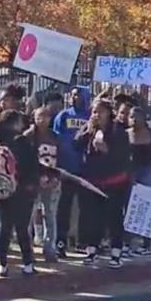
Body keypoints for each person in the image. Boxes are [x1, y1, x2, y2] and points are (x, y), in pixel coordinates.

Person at [74, 98, 131, 268]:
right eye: (94, 111)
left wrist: (106, 147)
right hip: (93, 181)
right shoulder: (89, 127)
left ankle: (116, 252)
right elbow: (76, 144)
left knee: (113, 217)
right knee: (93, 217)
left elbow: (121, 155)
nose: (96, 115)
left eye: (99, 111)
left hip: (114, 181)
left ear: (108, 113)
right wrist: (88, 132)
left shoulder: (118, 130)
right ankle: (92, 250)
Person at [0, 110, 41, 277]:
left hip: (3, 187)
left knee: (5, 226)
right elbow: (32, 164)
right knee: (22, 227)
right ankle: (27, 264)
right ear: (15, 123)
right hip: (22, 188)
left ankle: (3, 265)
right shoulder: (21, 141)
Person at [53, 86, 92, 255]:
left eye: (78, 95)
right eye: (73, 94)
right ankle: (60, 241)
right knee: (64, 206)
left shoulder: (91, 116)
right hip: (66, 168)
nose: (74, 97)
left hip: (86, 169)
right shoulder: (63, 115)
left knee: (86, 207)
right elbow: (54, 138)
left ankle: (82, 241)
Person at [24, 107, 61, 262]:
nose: (42, 120)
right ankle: (27, 247)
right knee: (29, 215)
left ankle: (49, 248)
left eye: (46, 117)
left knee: (50, 215)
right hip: (34, 180)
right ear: (34, 118)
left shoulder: (55, 136)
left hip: (51, 180)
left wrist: (55, 177)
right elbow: (25, 159)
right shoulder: (29, 136)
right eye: (39, 117)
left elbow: (61, 157)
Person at [128, 106, 151, 255]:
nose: (134, 120)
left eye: (137, 117)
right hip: (130, 171)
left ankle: (146, 243)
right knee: (129, 207)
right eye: (131, 117)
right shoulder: (125, 135)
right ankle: (127, 243)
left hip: (148, 170)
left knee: (146, 205)